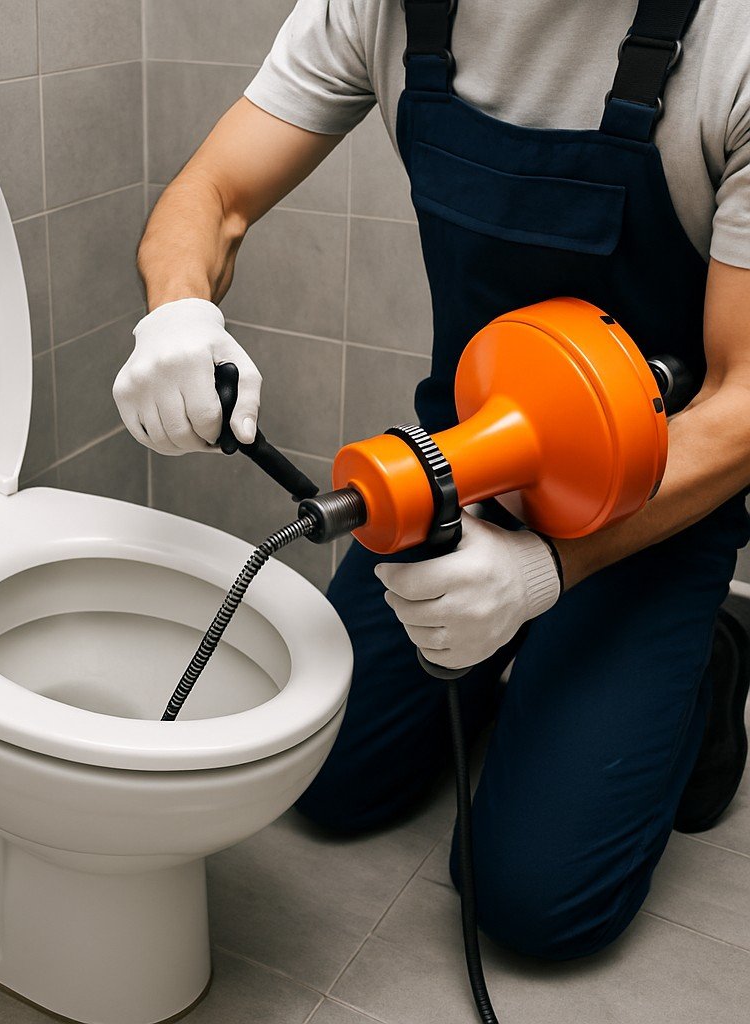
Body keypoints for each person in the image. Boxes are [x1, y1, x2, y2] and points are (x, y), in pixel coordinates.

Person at [113, 0, 750, 960]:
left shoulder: (734, 40)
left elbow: (745, 399)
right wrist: (176, 314)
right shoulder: (378, 7)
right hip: (466, 467)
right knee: (327, 781)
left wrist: (544, 572)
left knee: (532, 905)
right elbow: (214, 192)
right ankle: (513, 660)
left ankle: (704, 661)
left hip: (653, 502)